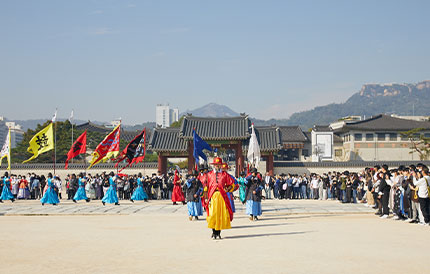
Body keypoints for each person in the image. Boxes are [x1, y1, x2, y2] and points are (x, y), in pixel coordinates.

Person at [205, 157, 235, 240]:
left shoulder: (225, 175)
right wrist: (206, 197)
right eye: (216, 165)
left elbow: (232, 184)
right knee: (212, 214)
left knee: (220, 214)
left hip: (222, 196)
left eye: (218, 165)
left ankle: (218, 233)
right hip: (213, 196)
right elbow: (206, 187)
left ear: (221, 165)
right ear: (214, 165)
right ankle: (213, 231)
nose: (217, 166)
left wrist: (228, 189)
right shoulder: (209, 174)